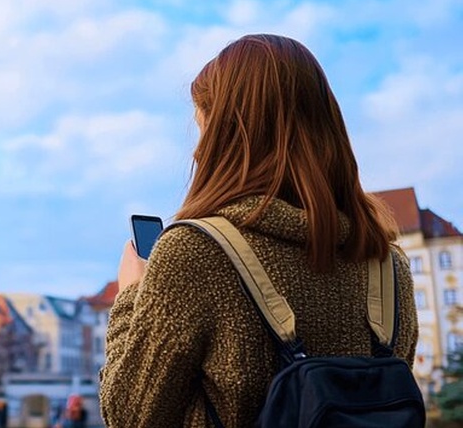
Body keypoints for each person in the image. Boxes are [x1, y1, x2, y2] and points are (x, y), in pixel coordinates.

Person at [99, 34, 418, 427]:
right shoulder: (388, 265)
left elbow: (128, 417)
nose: (197, 151)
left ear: (228, 137)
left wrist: (131, 296)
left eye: (203, 129)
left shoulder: (195, 252)